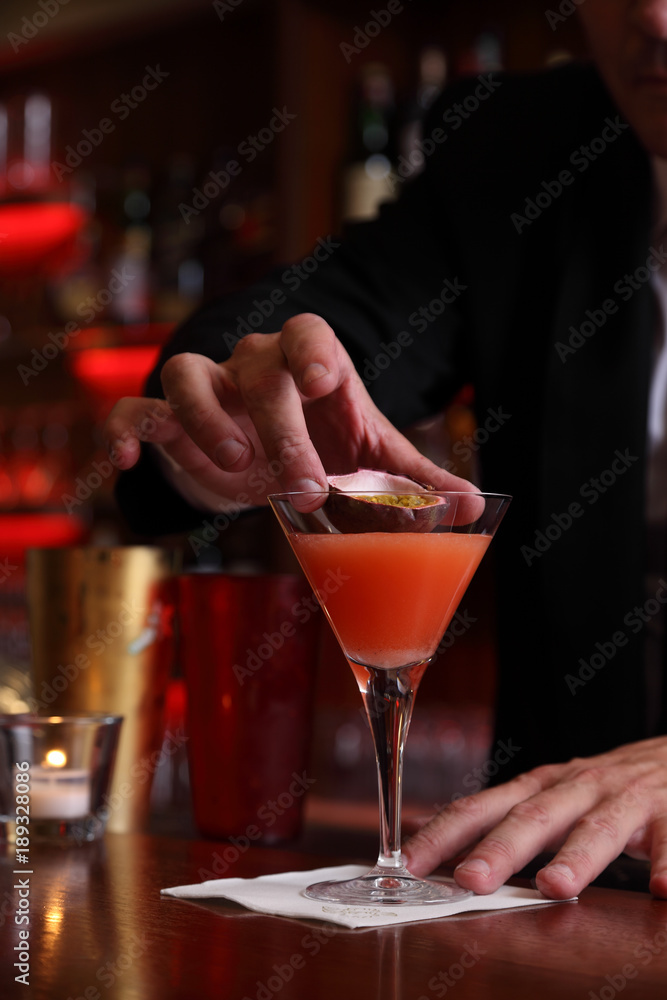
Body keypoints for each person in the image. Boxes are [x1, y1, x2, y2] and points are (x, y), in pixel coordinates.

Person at [105, 0, 667, 900]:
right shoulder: (525, 148)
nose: (654, 20)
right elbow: (311, 322)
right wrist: (236, 418)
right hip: (543, 900)